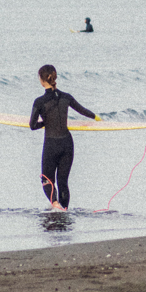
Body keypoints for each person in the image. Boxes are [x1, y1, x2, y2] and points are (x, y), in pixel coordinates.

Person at [29, 64, 99, 211]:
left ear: (42, 81)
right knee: (63, 182)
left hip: (51, 145)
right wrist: (98, 118)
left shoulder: (39, 102)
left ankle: (55, 205)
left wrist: (44, 123)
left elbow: (32, 125)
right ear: (54, 77)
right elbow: (83, 111)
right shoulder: (66, 97)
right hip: (67, 143)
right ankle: (64, 209)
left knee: (47, 180)